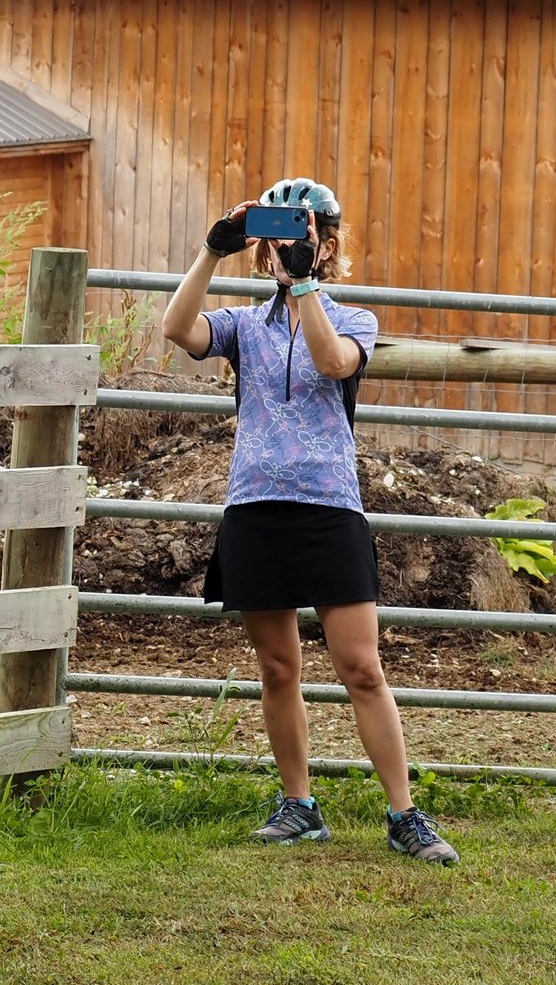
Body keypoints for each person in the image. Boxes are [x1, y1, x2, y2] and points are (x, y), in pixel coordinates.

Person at [159, 177, 460, 865]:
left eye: (303, 237)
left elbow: (331, 362)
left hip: (329, 508)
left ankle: (404, 813)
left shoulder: (354, 319)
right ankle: (300, 806)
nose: (286, 250)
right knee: (277, 666)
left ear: (327, 244)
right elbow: (178, 329)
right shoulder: (241, 325)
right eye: (275, 241)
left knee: (360, 666)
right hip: (255, 505)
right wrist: (213, 249)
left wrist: (302, 287)